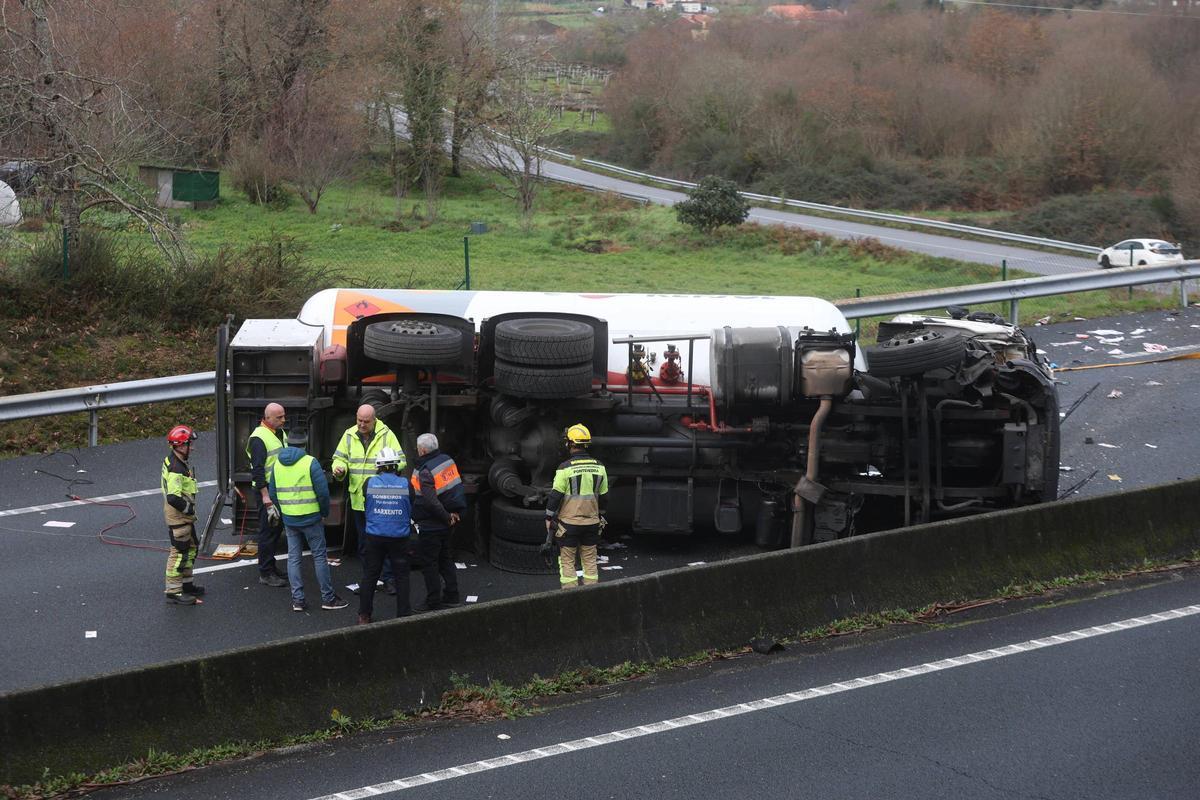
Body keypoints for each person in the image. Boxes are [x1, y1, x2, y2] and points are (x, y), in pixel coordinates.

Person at [269, 444, 348, 613]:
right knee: (319, 557)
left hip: (290, 519)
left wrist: (285, 510)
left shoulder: (277, 464)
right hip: (312, 518)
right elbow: (323, 492)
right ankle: (328, 598)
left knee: (293, 558)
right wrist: (324, 512)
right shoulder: (310, 462)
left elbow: (273, 492)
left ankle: (298, 600)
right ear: (304, 445)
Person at [331, 404, 402, 592]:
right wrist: (339, 469)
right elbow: (338, 458)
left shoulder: (387, 435)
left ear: (374, 419)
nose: (361, 425)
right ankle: (371, 579)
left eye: (366, 422)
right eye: (359, 420)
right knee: (364, 542)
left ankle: (388, 579)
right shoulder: (349, 434)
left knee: (383, 540)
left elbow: (401, 460)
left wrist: (386, 471)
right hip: (359, 499)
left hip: (380, 498)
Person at [543, 423, 609, 589]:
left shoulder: (564, 468)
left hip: (568, 525)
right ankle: (591, 594)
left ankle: (570, 596)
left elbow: (555, 497)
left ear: (570, 444)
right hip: (592, 524)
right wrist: (599, 514)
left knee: (567, 561)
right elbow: (605, 497)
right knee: (589, 561)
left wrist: (549, 517)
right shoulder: (600, 466)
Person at [410, 433, 466, 611]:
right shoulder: (447, 461)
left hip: (432, 524)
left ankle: (433, 600)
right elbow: (455, 489)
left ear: (423, 450)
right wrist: (455, 513)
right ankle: (452, 595)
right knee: (445, 559)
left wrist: (446, 517)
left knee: (430, 564)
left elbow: (430, 501)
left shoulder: (425, 470)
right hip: (449, 521)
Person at [359, 447, 414, 623]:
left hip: (375, 536)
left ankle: (364, 615)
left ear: (378, 466)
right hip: (399, 536)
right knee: (402, 576)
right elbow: (411, 503)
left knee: (370, 575)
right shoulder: (406, 484)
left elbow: (366, 501)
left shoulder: (369, 483)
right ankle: (404, 615)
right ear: (396, 466)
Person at [246, 402, 289, 587]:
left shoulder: (278, 433)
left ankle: (271, 566)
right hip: (267, 491)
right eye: (279, 417)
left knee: (276, 529)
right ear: (267, 418)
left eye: (283, 416)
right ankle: (265, 573)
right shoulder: (259, 438)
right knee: (267, 531)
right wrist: (265, 497)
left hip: (277, 488)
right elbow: (258, 470)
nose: (283, 420)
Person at [162, 424, 204, 605]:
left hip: (184, 517)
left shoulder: (177, 461)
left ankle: (186, 585)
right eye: (189, 444)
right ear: (180, 446)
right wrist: (188, 509)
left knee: (191, 549)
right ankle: (173, 592)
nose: (191, 448)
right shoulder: (176, 469)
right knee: (179, 553)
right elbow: (173, 497)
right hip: (179, 517)